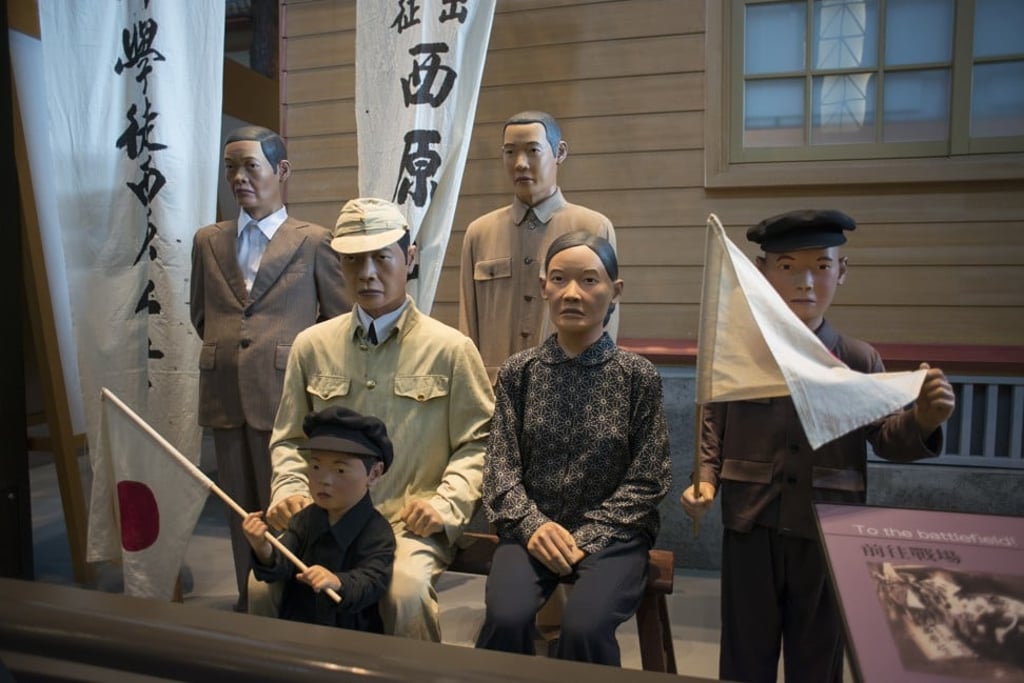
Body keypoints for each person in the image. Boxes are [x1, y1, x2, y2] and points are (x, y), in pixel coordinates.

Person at [680, 209, 957, 683]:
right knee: (745, 651)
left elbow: (886, 436)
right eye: (786, 267)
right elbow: (714, 418)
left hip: (828, 528)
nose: (804, 282)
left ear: (842, 271)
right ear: (762, 272)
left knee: (818, 655)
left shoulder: (856, 359)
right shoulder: (739, 353)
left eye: (821, 267)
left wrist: (922, 419)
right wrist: (704, 478)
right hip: (751, 522)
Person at [263, 197, 495, 641]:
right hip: (324, 518)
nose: (367, 272)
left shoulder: (451, 349)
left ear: (408, 258)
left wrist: (445, 506)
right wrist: (291, 490)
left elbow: (480, 444)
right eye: (353, 260)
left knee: (403, 593)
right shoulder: (311, 345)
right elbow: (290, 438)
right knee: (264, 587)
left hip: (409, 522)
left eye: (381, 257)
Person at [476, 231, 671, 666]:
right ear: (544, 286)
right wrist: (533, 525)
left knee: (585, 626)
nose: (572, 293)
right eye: (560, 279)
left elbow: (649, 478)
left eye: (589, 281)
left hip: (614, 538)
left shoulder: (637, 376)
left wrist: (584, 537)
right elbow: (499, 467)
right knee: (506, 617)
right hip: (531, 532)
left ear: (615, 291)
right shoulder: (519, 372)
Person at [190, 125, 348, 611]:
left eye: (249, 166)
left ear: (281, 172)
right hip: (225, 394)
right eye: (230, 168)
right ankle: (249, 597)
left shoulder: (313, 241)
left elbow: (339, 320)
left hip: (286, 394)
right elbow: (200, 313)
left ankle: (296, 601)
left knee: (293, 503)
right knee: (241, 507)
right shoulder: (208, 240)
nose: (239, 178)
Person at [459, 110, 619, 385]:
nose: (520, 163)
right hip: (493, 393)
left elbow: (607, 323)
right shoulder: (479, 233)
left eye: (532, 150)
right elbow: (467, 323)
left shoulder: (593, 227)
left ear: (560, 152)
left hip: (569, 391)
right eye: (510, 152)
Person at [243, 406, 395, 632]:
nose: (324, 479)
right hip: (299, 626)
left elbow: (372, 580)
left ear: (373, 474)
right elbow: (283, 561)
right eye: (315, 466)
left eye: (340, 471)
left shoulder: (377, 531)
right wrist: (262, 547)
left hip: (352, 636)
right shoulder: (305, 519)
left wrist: (337, 581)